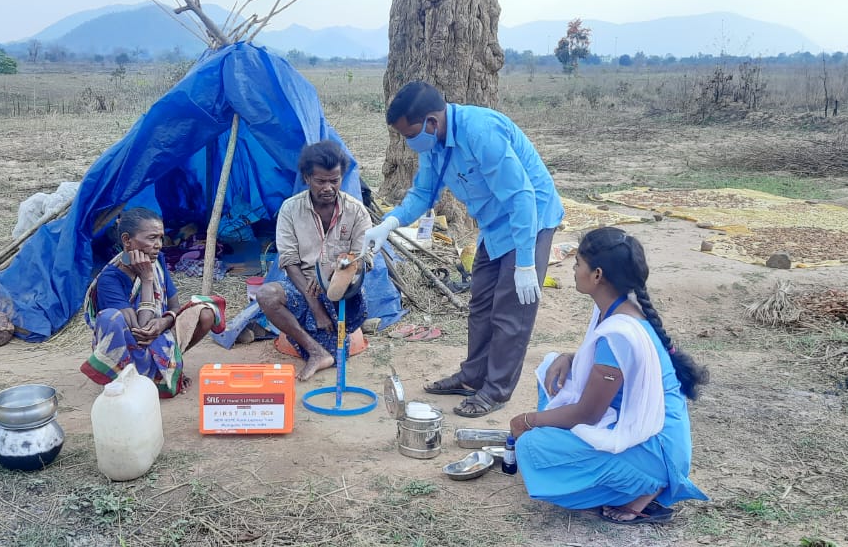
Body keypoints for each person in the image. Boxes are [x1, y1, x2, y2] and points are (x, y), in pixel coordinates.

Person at [363, 81, 565, 417]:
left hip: (530, 219)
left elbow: (521, 198)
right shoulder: (434, 144)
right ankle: (473, 377)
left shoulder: (481, 132)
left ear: (431, 121)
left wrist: (527, 264)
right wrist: (389, 223)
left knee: (510, 311)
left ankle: (496, 391)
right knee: (482, 303)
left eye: (410, 133)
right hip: (494, 225)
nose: (408, 142)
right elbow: (422, 194)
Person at [506, 227, 709, 524]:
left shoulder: (620, 332)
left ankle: (645, 487)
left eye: (578, 265)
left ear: (597, 275)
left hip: (656, 453)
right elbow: (606, 367)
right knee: (552, 366)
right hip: (634, 425)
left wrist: (527, 421)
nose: (574, 270)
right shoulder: (615, 311)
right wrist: (569, 359)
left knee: (532, 447)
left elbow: (588, 413)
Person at [80, 207, 226, 397]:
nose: (158, 245)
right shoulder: (110, 278)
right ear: (127, 240)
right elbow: (140, 332)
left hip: (160, 335)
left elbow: (174, 305)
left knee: (205, 311)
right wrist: (147, 279)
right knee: (110, 317)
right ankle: (131, 377)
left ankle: (171, 365)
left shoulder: (158, 261)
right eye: (151, 238)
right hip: (132, 345)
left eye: (160, 238)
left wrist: (164, 321)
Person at [257, 140, 372, 381]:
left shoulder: (357, 211)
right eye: (321, 181)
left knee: (339, 290)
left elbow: (363, 258)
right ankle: (315, 351)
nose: (328, 187)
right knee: (266, 295)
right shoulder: (290, 209)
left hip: (343, 288)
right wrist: (315, 305)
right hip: (303, 286)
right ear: (307, 178)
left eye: (335, 180)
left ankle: (329, 345)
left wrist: (334, 273)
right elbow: (289, 261)